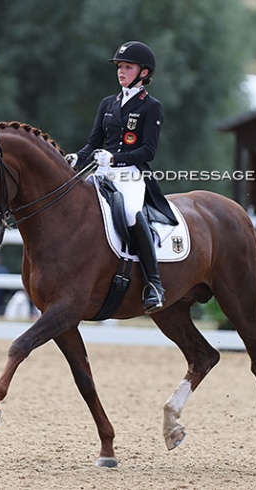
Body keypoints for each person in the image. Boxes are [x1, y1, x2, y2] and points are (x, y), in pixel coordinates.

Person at [64, 40, 177, 314]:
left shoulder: (151, 107)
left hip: (130, 176)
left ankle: (154, 284)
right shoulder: (107, 104)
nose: (121, 71)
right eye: (120, 67)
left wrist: (115, 158)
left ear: (144, 73)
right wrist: (77, 157)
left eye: (127, 67)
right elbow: (93, 143)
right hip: (102, 175)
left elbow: (147, 151)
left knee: (129, 213)